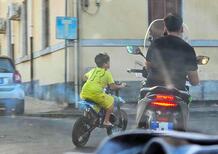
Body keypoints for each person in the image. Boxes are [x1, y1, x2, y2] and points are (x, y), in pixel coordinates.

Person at [145, 13, 199, 90]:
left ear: (165, 28)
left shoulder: (156, 43)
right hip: (177, 90)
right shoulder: (188, 49)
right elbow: (194, 81)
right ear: (182, 29)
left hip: (154, 88)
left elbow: (148, 66)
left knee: (143, 99)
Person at [80, 53, 126, 126]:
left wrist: (94, 82)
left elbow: (84, 77)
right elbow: (112, 87)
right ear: (105, 64)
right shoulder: (107, 73)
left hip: (84, 92)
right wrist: (121, 86)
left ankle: (92, 117)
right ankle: (106, 121)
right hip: (95, 93)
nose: (109, 64)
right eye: (108, 62)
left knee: (98, 101)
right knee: (111, 101)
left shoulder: (93, 70)